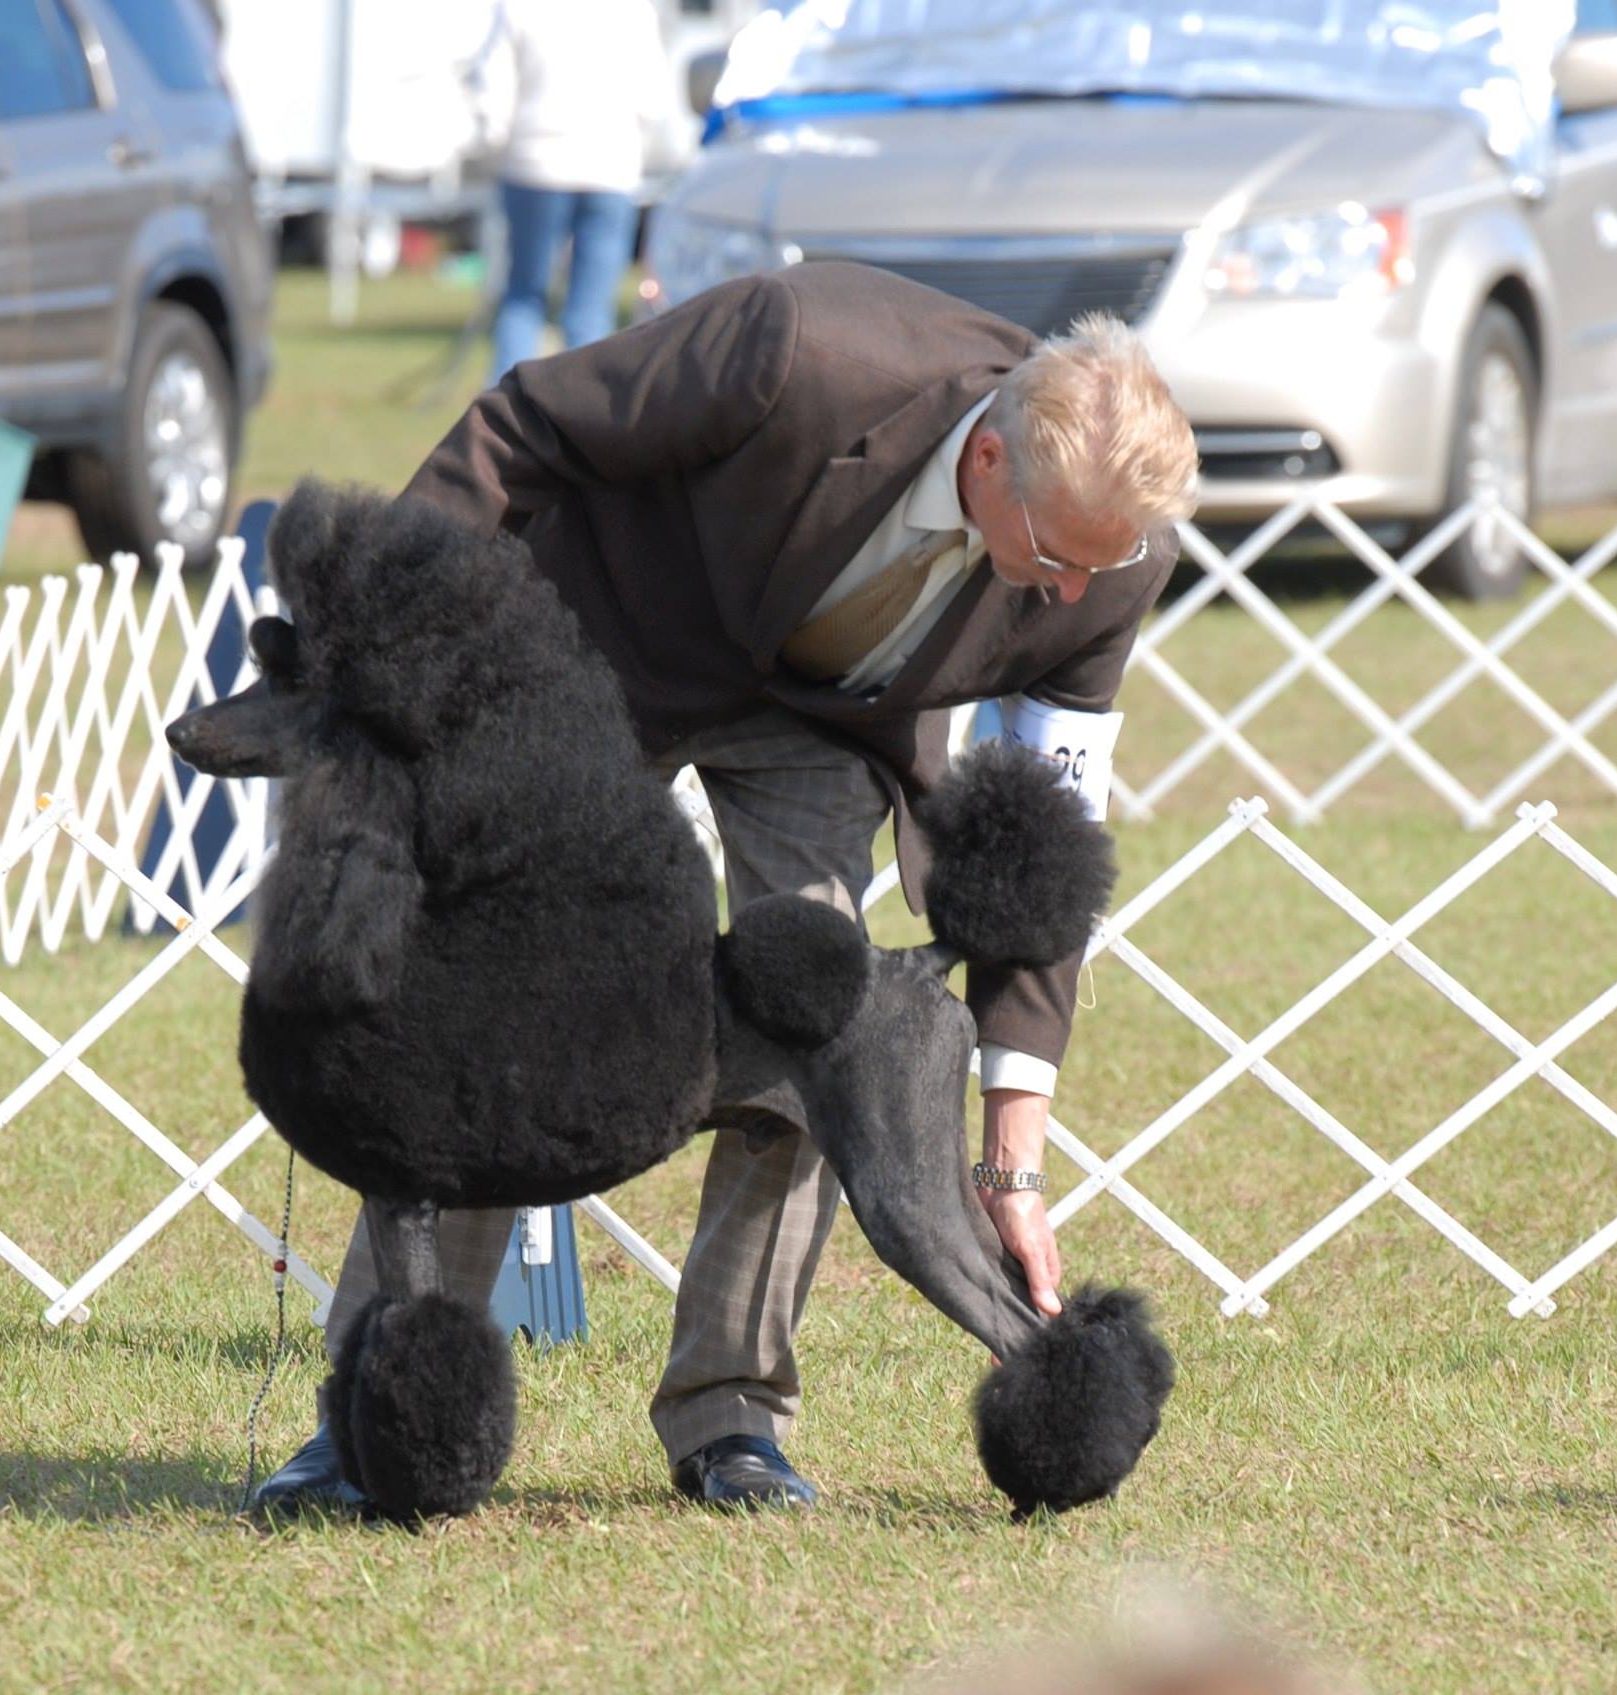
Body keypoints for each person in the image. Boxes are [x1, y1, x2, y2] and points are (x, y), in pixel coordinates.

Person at [255, 260, 1199, 1516]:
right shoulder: (794, 348)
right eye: (1053, 559)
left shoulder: (1110, 556)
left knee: (815, 1014)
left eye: (1104, 565)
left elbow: (1050, 837)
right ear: (988, 466)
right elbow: (519, 426)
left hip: (830, 725)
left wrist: (1011, 1152)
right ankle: (371, 1420)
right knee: (481, 1023)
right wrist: (379, 652)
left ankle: (731, 1420)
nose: (1075, 591)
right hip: (599, 659)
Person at [472, 0, 675, 383]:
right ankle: (585, 417)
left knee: (524, 298)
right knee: (591, 310)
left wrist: (492, 144)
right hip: (610, 169)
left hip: (534, 164)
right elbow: (653, 100)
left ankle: (500, 420)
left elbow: (493, 90)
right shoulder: (632, 11)